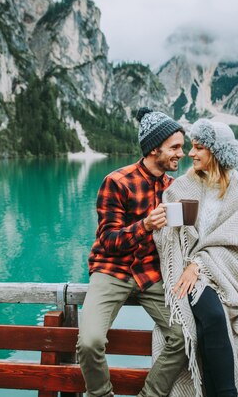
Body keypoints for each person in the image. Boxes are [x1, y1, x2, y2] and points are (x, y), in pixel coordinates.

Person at [77, 108, 188, 397]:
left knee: (184, 336)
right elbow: (108, 241)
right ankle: (100, 394)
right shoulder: (117, 182)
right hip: (112, 271)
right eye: (175, 147)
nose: (181, 153)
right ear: (154, 148)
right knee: (89, 342)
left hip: (152, 274)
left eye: (182, 147)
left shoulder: (174, 187)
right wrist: (145, 225)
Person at [153, 119, 238, 397]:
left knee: (211, 322)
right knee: (213, 316)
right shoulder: (181, 187)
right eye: (191, 147)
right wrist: (166, 224)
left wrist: (201, 264)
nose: (191, 154)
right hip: (185, 274)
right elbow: (166, 238)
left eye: (199, 147)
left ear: (216, 153)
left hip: (224, 276)